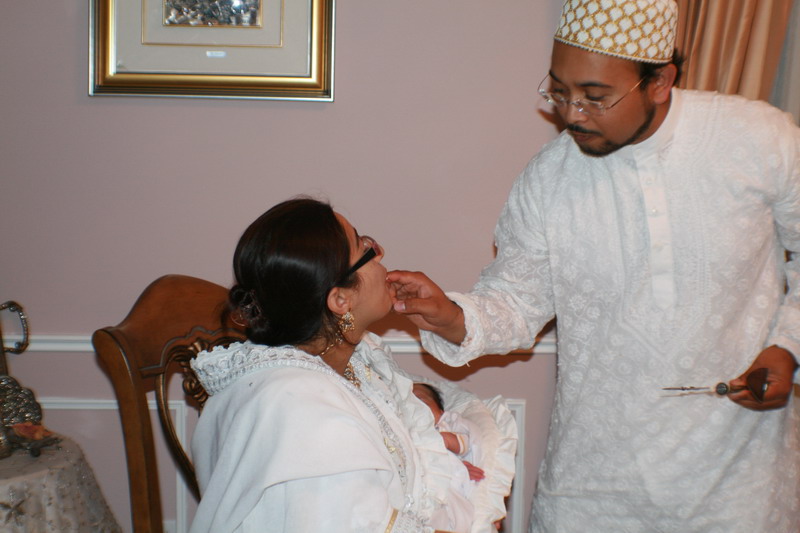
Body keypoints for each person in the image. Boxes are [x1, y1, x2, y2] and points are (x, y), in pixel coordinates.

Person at [388, 0, 800, 531]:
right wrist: (451, 315)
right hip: (592, 484)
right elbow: (516, 301)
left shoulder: (761, 140)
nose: (572, 114)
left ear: (660, 82)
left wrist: (787, 346)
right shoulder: (549, 178)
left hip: (738, 480)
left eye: (595, 96)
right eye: (559, 92)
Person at [188, 198, 516, 533]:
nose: (380, 254)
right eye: (364, 249)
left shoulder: (350, 359)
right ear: (340, 300)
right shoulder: (303, 409)